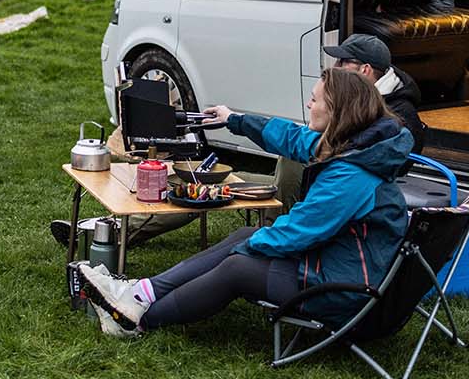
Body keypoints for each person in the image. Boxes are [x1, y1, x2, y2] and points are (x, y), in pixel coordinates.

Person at [75, 68, 415, 337]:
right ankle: (140, 294)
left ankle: (135, 320)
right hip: (335, 265)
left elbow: (298, 233)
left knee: (239, 264)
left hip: (347, 291)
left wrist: (253, 245)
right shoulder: (357, 145)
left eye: (315, 100)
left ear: (339, 111)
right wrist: (233, 119)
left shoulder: (352, 176)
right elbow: (293, 137)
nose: (309, 105)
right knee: (243, 239)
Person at [48, 34, 426, 246]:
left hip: (327, 201)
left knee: (207, 192)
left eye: (342, 65)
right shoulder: (357, 102)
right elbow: (301, 141)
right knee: (197, 186)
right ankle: (114, 232)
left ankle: (114, 236)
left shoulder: (397, 118)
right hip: (304, 185)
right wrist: (235, 120)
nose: (333, 72)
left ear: (363, 71)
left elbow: (363, 170)